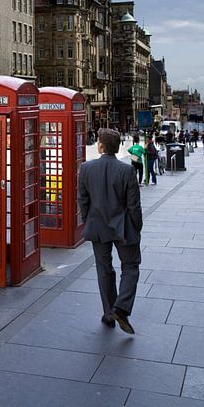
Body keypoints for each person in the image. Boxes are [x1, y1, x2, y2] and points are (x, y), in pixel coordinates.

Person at [78, 128, 142, 335]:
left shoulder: (86, 169)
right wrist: (137, 227)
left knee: (104, 269)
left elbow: (83, 200)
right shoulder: (127, 170)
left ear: (101, 146)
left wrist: (87, 221)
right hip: (123, 226)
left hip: (97, 226)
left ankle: (108, 314)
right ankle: (121, 308)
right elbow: (134, 206)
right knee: (130, 266)